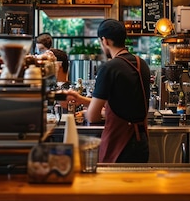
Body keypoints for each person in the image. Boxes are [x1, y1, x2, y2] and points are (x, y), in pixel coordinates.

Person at [64, 19, 151, 163]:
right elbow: (121, 104)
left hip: (120, 144)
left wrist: (85, 113)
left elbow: (93, 116)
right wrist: (81, 100)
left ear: (105, 41)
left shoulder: (109, 68)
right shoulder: (142, 64)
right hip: (141, 142)